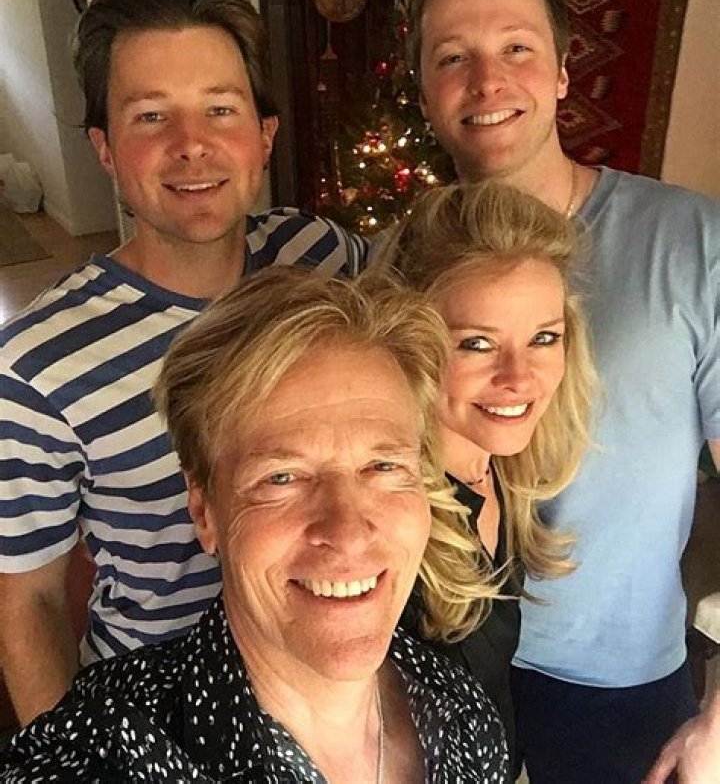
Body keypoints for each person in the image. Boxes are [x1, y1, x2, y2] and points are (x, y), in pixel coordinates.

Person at [0, 0, 367, 727]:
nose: (192, 145)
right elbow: (29, 600)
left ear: (264, 136)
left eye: (220, 109)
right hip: (155, 710)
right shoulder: (37, 365)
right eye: (150, 116)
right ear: (105, 148)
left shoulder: (324, 258)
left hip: (328, 691)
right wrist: (68, 758)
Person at [404, 0, 720, 783]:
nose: (487, 80)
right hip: (436, 665)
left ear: (562, 70)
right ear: (424, 90)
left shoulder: (692, 242)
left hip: (617, 689)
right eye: (453, 57)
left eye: (516, 47)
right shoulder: (395, 262)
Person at [0, 267, 509, 782]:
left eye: (383, 466)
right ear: (205, 511)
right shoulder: (109, 754)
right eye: (281, 477)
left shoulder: (459, 708)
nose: (349, 532)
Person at [380, 181, 595, 767]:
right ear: (409, 344)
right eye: (477, 344)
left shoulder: (496, 471)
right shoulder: (387, 522)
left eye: (543, 338)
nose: (519, 378)